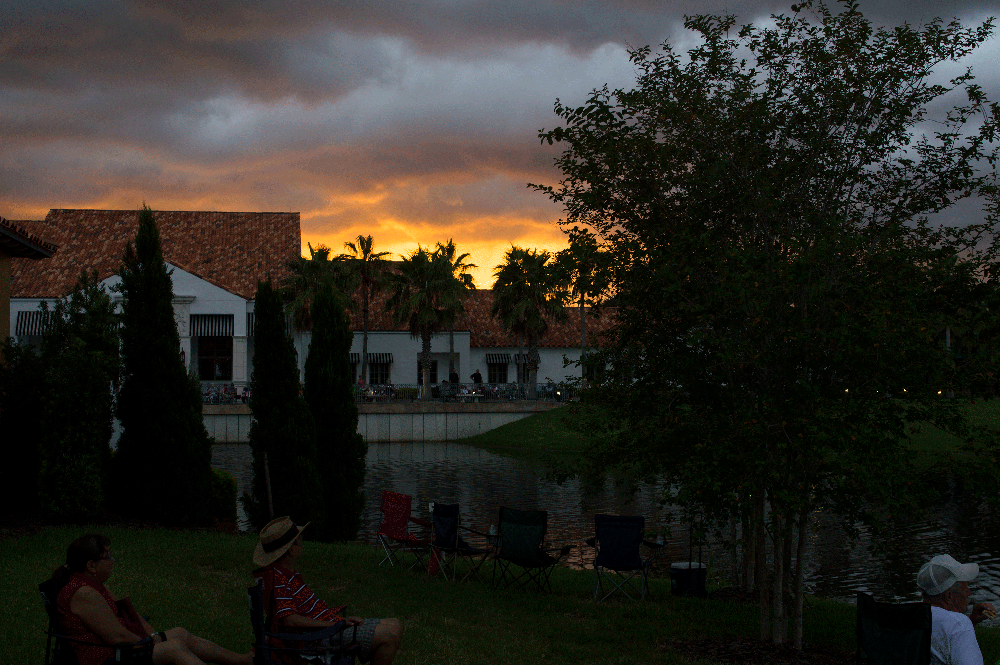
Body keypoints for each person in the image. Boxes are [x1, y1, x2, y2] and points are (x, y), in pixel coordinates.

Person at [51, 533, 252, 665]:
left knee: (180, 634)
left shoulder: (94, 586)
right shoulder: (83, 593)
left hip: (119, 649)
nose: (113, 561)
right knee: (174, 648)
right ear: (91, 566)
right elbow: (117, 637)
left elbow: (129, 613)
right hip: (105, 657)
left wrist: (154, 635)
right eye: (108, 557)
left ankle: (241, 660)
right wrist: (149, 643)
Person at [253, 517, 403, 665]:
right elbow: (290, 620)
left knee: (395, 624)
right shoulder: (279, 580)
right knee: (390, 634)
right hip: (313, 638)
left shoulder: (286, 574)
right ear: (292, 549)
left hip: (325, 629)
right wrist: (333, 625)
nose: (303, 542)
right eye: (301, 539)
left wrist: (340, 621)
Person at [917, 554, 997, 665]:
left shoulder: (909, 616)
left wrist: (971, 621)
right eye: (965, 587)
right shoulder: (958, 624)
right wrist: (965, 624)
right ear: (949, 596)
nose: (969, 593)